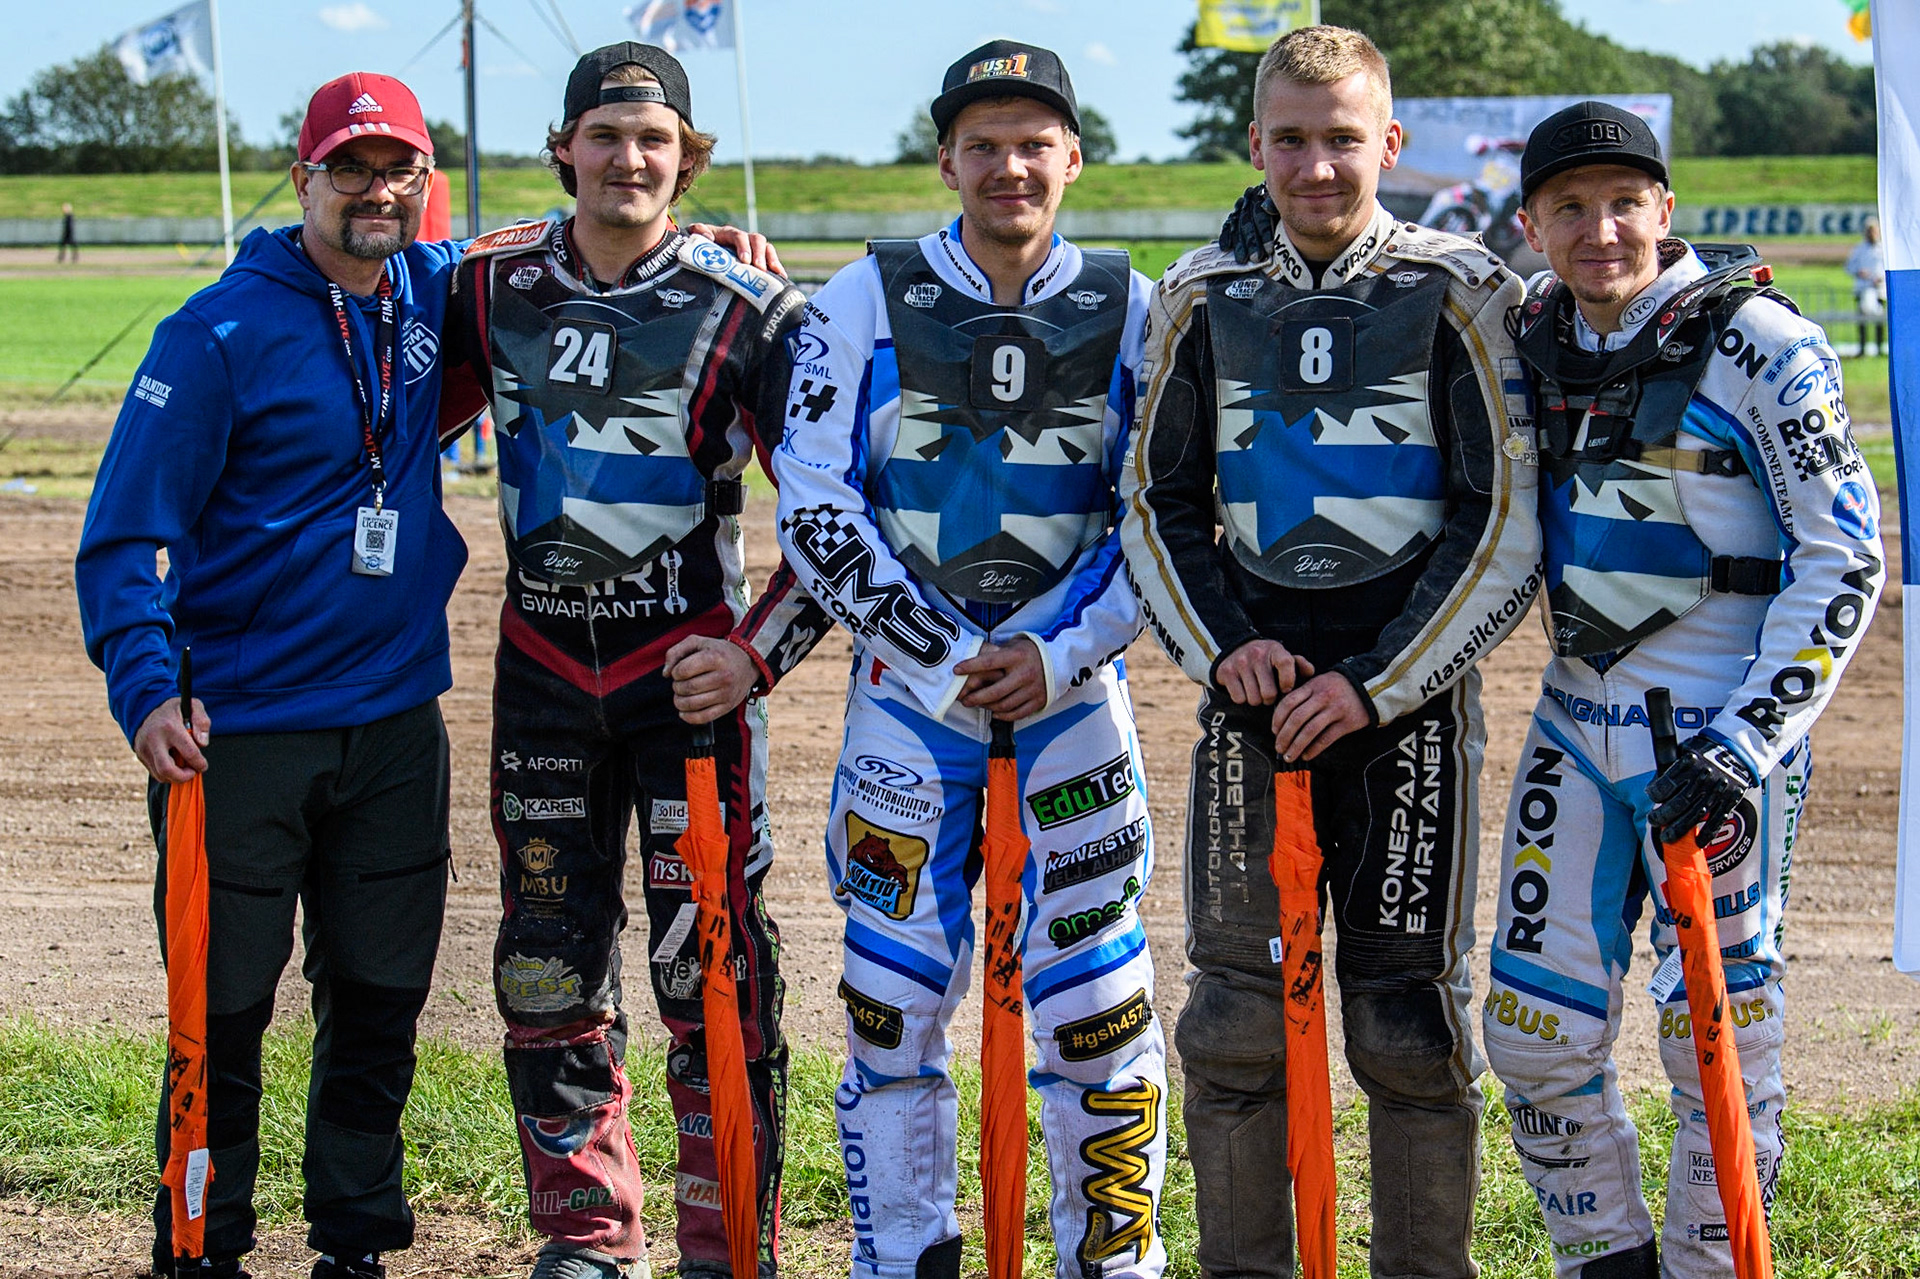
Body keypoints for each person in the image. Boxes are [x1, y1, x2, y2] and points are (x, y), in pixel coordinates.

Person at [1121, 24, 1541, 1279]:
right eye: (1291, 139)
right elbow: (1155, 501)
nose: (1316, 165)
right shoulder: (1202, 295)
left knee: (1409, 1028)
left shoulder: (1463, 287)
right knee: (1235, 1025)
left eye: (1342, 137)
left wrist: (1378, 683)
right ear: (1254, 144)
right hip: (1251, 702)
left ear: (1390, 144)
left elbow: (1502, 516)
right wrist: (1225, 655)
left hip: (1408, 712)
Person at [774, 40, 1168, 1279]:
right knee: (890, 1004)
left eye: (1033, 142)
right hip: (909, 703)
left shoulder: (1140, 306)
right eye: (983, 144)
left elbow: (1163, 509)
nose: (1010, 165)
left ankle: (1112, 1260)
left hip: (1074, 705)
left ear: (1074, 158)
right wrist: (944, 655)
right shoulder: (861, 297)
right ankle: (904, 1258)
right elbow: (813, 500)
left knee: (1097, 1003)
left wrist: (1061, 654)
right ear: (946, 157)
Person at [439, 42, 826, 1279]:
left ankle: (727, 1245)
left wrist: (755, 658)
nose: (629, 158)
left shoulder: (751, 309)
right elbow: (373, 395)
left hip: (689, 691)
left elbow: (837, 519)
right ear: (564, 150)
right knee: (545, 959)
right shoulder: (487, 289)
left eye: (654, 140)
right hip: (542, 677)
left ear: (687, 157)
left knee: (711, 968)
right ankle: (588, 1239)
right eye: (604, 136)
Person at [1483, 101, 1885, 1279]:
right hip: (1573, 716)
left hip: (1718, 738)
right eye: (1571, 207)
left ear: (1665, 208)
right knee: (1530, 1031)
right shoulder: (1530, 329)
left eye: (1624, 202)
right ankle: (1602, 1262)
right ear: (1533, 223)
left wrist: (1745, 744)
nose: (1600, 229)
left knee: (1717, 1035)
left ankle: (1717, 1267)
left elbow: (1846, 553)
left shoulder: (1763, 341)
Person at [75, 73, 465, 1279]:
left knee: (381, 1000)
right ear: (302, 178)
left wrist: (712, 238)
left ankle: (355, 1244)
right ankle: (201, 1242)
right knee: (223, 1012)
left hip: (397, 723)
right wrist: (146, 689)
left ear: (423, 185)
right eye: (348, 168)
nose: (374, 191)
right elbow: (125, 531)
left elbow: (579, 244)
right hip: (238, 734)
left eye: (397, 169)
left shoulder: (434, 293)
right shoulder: (214, 332)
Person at [1846, 215, 1886, 357]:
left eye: (1874, 231)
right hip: (1862, 288)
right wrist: (1859, 272)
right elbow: (1849, 267)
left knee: (1879, 320)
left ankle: (1879, 348)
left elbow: (1887, 268)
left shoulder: (1884, 249)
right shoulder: (1859, 249)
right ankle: (1862, 348)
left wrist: (1881, 277)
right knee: (1862, 321)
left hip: (1879, 290)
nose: (1872, 234)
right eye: (1869, 231)